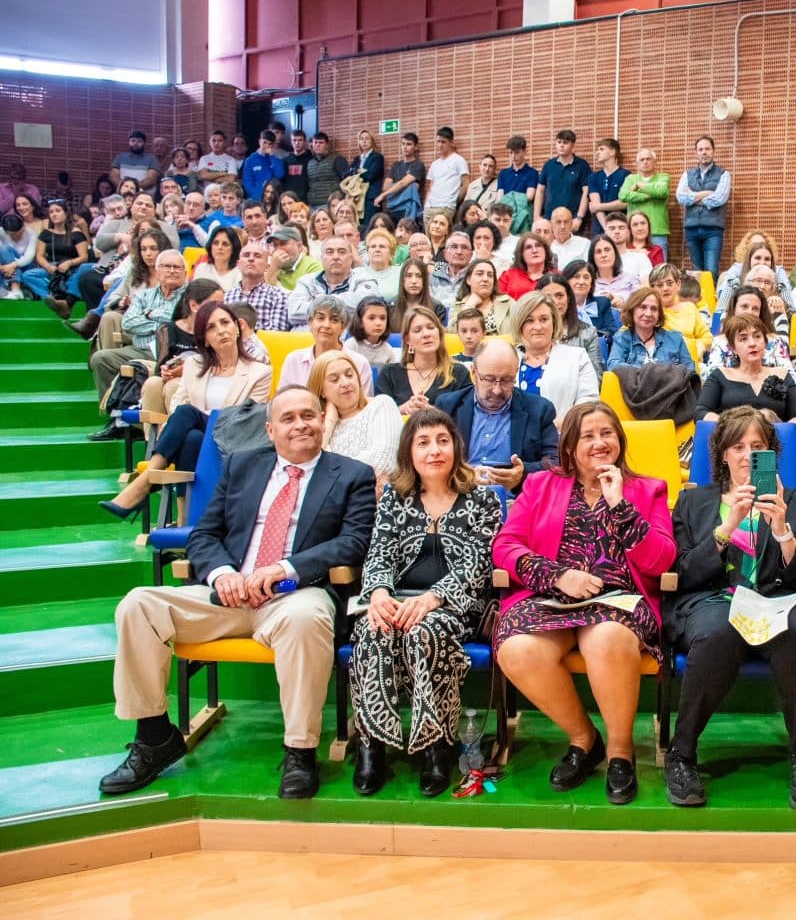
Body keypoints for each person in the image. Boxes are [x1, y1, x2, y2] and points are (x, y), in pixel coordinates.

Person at [99, 386, 376, 799]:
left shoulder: (352, 473)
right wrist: (222, 574)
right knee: (138, 604)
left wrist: (286, 568)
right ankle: (155, 735)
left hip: (295, 594)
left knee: (307, 619)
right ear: (270, 429)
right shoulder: (243, 466)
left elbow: (353, 542)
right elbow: (205, 534)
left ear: (323, 422)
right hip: (228, 595)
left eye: (308, 415)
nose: (300, 424)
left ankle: (300, 751)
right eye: (288, 418)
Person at [493, 402, 676, 803]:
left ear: (620, 440)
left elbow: (662, 558)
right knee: (517, 649)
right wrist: (558, 575)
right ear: (570, 446)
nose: (599, 443)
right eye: (588, 436)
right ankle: (583, 739)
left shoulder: (647, 489)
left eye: (607, 433)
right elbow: (505, 546)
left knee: (608, 637)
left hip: (619, 601)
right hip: (550, 595)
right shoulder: (541, 485)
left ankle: (620, 751)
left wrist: (619, 504)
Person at [664, 406, 796, 809]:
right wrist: (728, 525)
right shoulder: (693, 503)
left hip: (782, 601)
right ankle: (682, 754)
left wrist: (782, 531)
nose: (746, 455)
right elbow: (684, 572)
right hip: (714, 599)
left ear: (771, 454)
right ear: (721, 454)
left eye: (757, 447)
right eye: (737, 446)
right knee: (719, 629)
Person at [349, 408, 501, 797]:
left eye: (442, 441)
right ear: (409, 452)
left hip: (456, 607)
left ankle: (437, 747)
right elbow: (378, 553)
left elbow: (482, 562)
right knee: (372, 627)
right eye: (423, 442)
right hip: (398, 599)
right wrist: (380, 593)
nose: (434, 450)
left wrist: (434, 598)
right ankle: (372, 746)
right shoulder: (394, 499)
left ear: (456, 447)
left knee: (425, 631)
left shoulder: (482, 498)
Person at [100, 303, 273, 519]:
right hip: (199, 437)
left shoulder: (260, 372)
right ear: (205, 339)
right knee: (191, 436)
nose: (221, 330)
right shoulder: (193, 365)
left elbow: (245, 418)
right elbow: (177, 404)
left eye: (225, 322)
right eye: (211, 328)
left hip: (235, 439)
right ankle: (185, 519)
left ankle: (145, 482)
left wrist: (199, 415)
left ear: (238, 328)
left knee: (187, 414)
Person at [435, 339, 560, 492]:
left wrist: (522, 474)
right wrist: (463, 475)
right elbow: (431, 458)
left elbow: (556, 461)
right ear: (474, 373)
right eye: (489, 379)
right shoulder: (448, 406)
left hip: (514, 501)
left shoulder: (539, 410)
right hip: (458, 495)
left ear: (516, 373)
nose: (497, 390)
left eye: (507, 380)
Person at [87, 250, 189, 434]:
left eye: (177, 267)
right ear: (157, 271)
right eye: (167, 266)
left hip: (171, 353)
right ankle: (116, 418)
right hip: (140, 349)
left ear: (185, 272)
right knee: (100, 358)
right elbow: (128, 322)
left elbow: (178, 322)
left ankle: (136, 424)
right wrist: (160, 323)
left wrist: (150, 316)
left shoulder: (189, 298)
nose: (172, 271)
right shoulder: (145, 296)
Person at [696, 315, 796, 429]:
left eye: (757, 336)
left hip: (775, 441)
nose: (752, 343)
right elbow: (701, 412)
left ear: (765, 343)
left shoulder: (782, 374)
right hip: (732, 439)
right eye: (743, 339)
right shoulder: (720, 375)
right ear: (733, 348)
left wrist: (782, 432)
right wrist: (731, 426)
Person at [509, 290, 600, 426]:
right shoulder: (507, 358)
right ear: (520, 324)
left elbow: (588, 404)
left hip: (563, 438)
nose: (538, 327)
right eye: (529, 320)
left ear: (554, 322)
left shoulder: (577, 357)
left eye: (544, 319)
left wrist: (550, 428)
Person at [311, 349, 402, 483]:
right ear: (321, 391)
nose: (346, 383)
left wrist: (333, 480)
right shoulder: (322, 424)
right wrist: (329, 422)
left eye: (349, 375)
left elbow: (383, 461)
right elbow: (311, 468)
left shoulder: (381, 405)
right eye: (335, 380)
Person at [279, 295, 373, 393]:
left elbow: (364, 406)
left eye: (334, 320)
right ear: (310, 323)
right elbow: (282, 402)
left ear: (343, 327)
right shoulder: (294, 360)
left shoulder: (359, 363)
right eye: (320, 318)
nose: (326, 325)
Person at [288, 236, 381, 327]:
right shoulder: (306, 281)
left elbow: (366, 308)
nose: (336, 257)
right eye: (329, 252)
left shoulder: (365, 280)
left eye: (342, 252)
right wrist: (343, 307)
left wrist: (316, 301)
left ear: (351, 257)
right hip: (307, 339)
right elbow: (294, 313)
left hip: (348, 340)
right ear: (322, 258)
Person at [676, 135, 731, 279]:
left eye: (707, 149)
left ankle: (712, 301)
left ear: (713, 151)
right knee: (696, 272)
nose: (704, 152)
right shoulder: (687, 174)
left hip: (713, 230)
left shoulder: (723, 174)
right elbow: (681, 197)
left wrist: (693, 197)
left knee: (711, 271)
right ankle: (699, 301)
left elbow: (719, 199)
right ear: (696, 152)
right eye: (700, 149)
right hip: (691, 229)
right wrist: (706, 193)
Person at [703, 286, 791, 376]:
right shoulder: (721, 341)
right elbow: (710, 376)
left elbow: (792, 377)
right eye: (744, 307)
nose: (749, 312)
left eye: (755, 309)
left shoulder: (775, 341)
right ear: (734, 310)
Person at [606, 286, 694, 371]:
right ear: (632, 310)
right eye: (643, 307)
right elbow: (613, 366)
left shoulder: (676, 340)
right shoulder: (622, 339)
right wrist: (648, 373)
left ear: (659, 314)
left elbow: (690, 371)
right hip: (635, 386)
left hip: (670, 386)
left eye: (654, 309)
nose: (648, 314)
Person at [538, 272, 604, 375]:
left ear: (568, 298)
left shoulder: (588, 333)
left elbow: (596, 377)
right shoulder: (532, 332)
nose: (555, 301)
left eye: (559, 295)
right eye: (548, 297)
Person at [34, 199, 91, 316]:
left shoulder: (76, 233)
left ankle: (65, 299)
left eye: (58, 211)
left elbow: (84, 257)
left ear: (65, 214)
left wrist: (69, 263)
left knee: (82, 272)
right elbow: (39, 256)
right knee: (28, 275)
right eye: (51, 212)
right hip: (52, 268)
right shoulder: (45, 234)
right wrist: (48, 266)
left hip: (71, 268)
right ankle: (52, 298)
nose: (54, 214)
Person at [228, 239, 291, 332]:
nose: (251, 259)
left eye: (257, 256)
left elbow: (276, 334)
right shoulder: (227, 296)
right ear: (238, 264)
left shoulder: (278, 296)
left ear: (267, 267)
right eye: (246, 255)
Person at [535, 129, 591, 230]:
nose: (561, 145)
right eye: (559, 142)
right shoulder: (549, 165)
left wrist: (579, 217)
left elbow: (586, 192)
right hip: (550, 220)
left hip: (572, 221)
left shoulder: (582, 165)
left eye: (565, 143)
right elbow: (540, 191)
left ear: (573, 145)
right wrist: (536, 216)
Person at [619, 148, 670, 258]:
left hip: (657, 232)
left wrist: (640, 186)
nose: (645, 162)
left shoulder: (663, 177)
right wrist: (646, 196)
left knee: (659, 271)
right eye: (642, 160)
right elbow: (623, 195)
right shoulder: (630, 178)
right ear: (637, 163)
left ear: (655, 161)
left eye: (648, 159)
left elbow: (662, 191)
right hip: (634, 233)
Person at [650, 263, 710, 355]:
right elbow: (626, 334)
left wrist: (696, 345)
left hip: (690, 362)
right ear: (652, 288)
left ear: (678, 284)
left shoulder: (690, 308)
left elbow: (707, 338)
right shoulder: (647, 312)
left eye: (669, 283)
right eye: (660, 285)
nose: (665, 288)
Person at [373, 132, 426, 222]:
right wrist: (405, 187)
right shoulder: (396, 165)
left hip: (408, 209)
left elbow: (403, 183)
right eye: (403, 144)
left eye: (409, 144)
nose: (405, 147)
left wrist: (385, 194)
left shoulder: (418, 165)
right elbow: (386, 187)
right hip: (393, 209)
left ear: (416, 147)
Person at [457, 257, 514, 336]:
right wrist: (469, 305)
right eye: (479, 274)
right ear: (468, 280)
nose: (485, 279)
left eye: (490, 275)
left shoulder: (508, 302)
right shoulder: (457, 305)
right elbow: (453, 333)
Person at [586, 138, 629, 236]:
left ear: (612, 152)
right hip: (598, 229)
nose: (597, 153)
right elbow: (595, 204)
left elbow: (624, 203)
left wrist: (597, 206)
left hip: (620, 229)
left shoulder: (626, 175)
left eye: (601, 149)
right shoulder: (593, 177)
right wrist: (607, 228)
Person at [424, 126, 469, 217]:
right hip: (429, 207)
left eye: (443, 142)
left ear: (451, 143)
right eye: (438, 141)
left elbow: (466, 184)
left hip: (446, 207)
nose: (440, 145)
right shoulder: (434, 164)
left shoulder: (459, 160)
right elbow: (429, 187)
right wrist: (426, 205)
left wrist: (454, 201)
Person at [342, 294, 398, 367]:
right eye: (371, 318)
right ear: (360, 322)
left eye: (382, 318)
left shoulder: (388, 350)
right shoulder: (351, 345)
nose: (378, 323)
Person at [563, 259, 614, 335]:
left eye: (586, 277)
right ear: (566, 281)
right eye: (576, 277)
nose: (581, 282)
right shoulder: (560, 305)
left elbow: (612, 333)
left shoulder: (603, 303)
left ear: (591, 283)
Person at [268, 224, 324, 291]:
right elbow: (264, 295)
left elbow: (304, 298)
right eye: (275, 245)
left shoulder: (313, 267)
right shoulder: (274, 266)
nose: (278, 249)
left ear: (299, 246)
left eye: (283, 243)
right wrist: (273, 269)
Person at [498, 232, 553, 299]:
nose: (534, 250)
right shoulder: (508, 276)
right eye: (528, 247)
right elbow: (498, 302)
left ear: (545, 250)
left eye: (538, 245)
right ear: (521, 254)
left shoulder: (556, 276)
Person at [305, 132, 349, 209]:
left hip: (330, 204)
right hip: (312, 205)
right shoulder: (309, 163)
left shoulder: (338, 160)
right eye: (315, 142)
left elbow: (347, 182)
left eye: (321, 142)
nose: (318, 145)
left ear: (327, 145)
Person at [192, 225, 241, 292]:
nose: (219, 247)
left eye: (225, 244)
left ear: (233, 249)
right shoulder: (201, 268)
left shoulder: (239, 272)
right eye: (216, 243)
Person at [111, 131, 162, 195]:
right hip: (123, 195)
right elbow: (113, 176)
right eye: (133, 141)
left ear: (144, 144)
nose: (136, 143)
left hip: (145, 197)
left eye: (139, 141)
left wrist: (132, 188)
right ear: (129, 142)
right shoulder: (120, 157)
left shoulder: (152, 159)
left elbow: (151, 180)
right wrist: (124, 188)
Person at [352, 130, 386, 225]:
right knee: (358, 225)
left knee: (370, 225)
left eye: (367, 138)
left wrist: (357, 172)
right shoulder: (356, 159)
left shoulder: (377, 157)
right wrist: (359, 172)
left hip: (371, 197)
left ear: (372, 141)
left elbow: (371, 176)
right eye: (361, 139)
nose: (364, 141)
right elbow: (348, 174)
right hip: (357, 196)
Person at [241, 131, 286, 200]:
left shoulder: (275, 159)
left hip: (272, 198)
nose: (267, 146)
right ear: (259, 141)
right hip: (255, 198)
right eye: (264, 142)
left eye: (270, 144)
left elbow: (279, 175)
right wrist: (257, 196)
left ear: (273, 145)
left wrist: (271, 155)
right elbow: (247, 182)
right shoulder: (250, 160)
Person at [363, 228, 403, 301]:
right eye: (373, 246)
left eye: (382, 246)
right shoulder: (356, 273)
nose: (377, 249)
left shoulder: (401, 273)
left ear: (391, 254)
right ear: (367, 252)